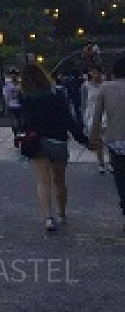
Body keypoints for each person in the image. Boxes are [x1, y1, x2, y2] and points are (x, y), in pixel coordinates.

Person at [19, 63, 90, 234]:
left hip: (37, 142)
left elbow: (25, 122)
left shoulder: (25, 97)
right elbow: (68, 119)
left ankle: (48, 218)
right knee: (59, 180)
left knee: (43, 181)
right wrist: (84, 140)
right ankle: (62, 213)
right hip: (58, 141)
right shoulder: (57, 94)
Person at [89, 54, 125, 234]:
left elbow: (96, 117)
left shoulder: (105, 88)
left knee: (120, 176)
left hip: (116, 139)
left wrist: (94, 136)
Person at [82, 66, 109, 174]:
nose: (95, 75)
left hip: (106, 114)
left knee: (108, 140)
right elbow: (83, 103)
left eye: (97, 72)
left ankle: (111, 162)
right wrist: (84, 118)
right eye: (93, 72)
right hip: (92, 115)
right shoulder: (86, 86)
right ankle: (101, 163)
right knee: (97, 141)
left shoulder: (106, 85)